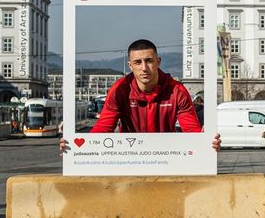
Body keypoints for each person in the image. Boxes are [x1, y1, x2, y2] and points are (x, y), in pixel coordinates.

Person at [59, 39, 220, 152]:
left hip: (167, 157)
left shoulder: (177, 90)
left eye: (149, 60)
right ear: (130, 66)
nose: (144, 68)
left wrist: (207, 143)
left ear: (158, 61)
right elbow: (103, 128)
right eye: (137, 62)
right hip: (131, 158)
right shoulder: (120, 90)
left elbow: (192, 131)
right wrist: (75, 148)